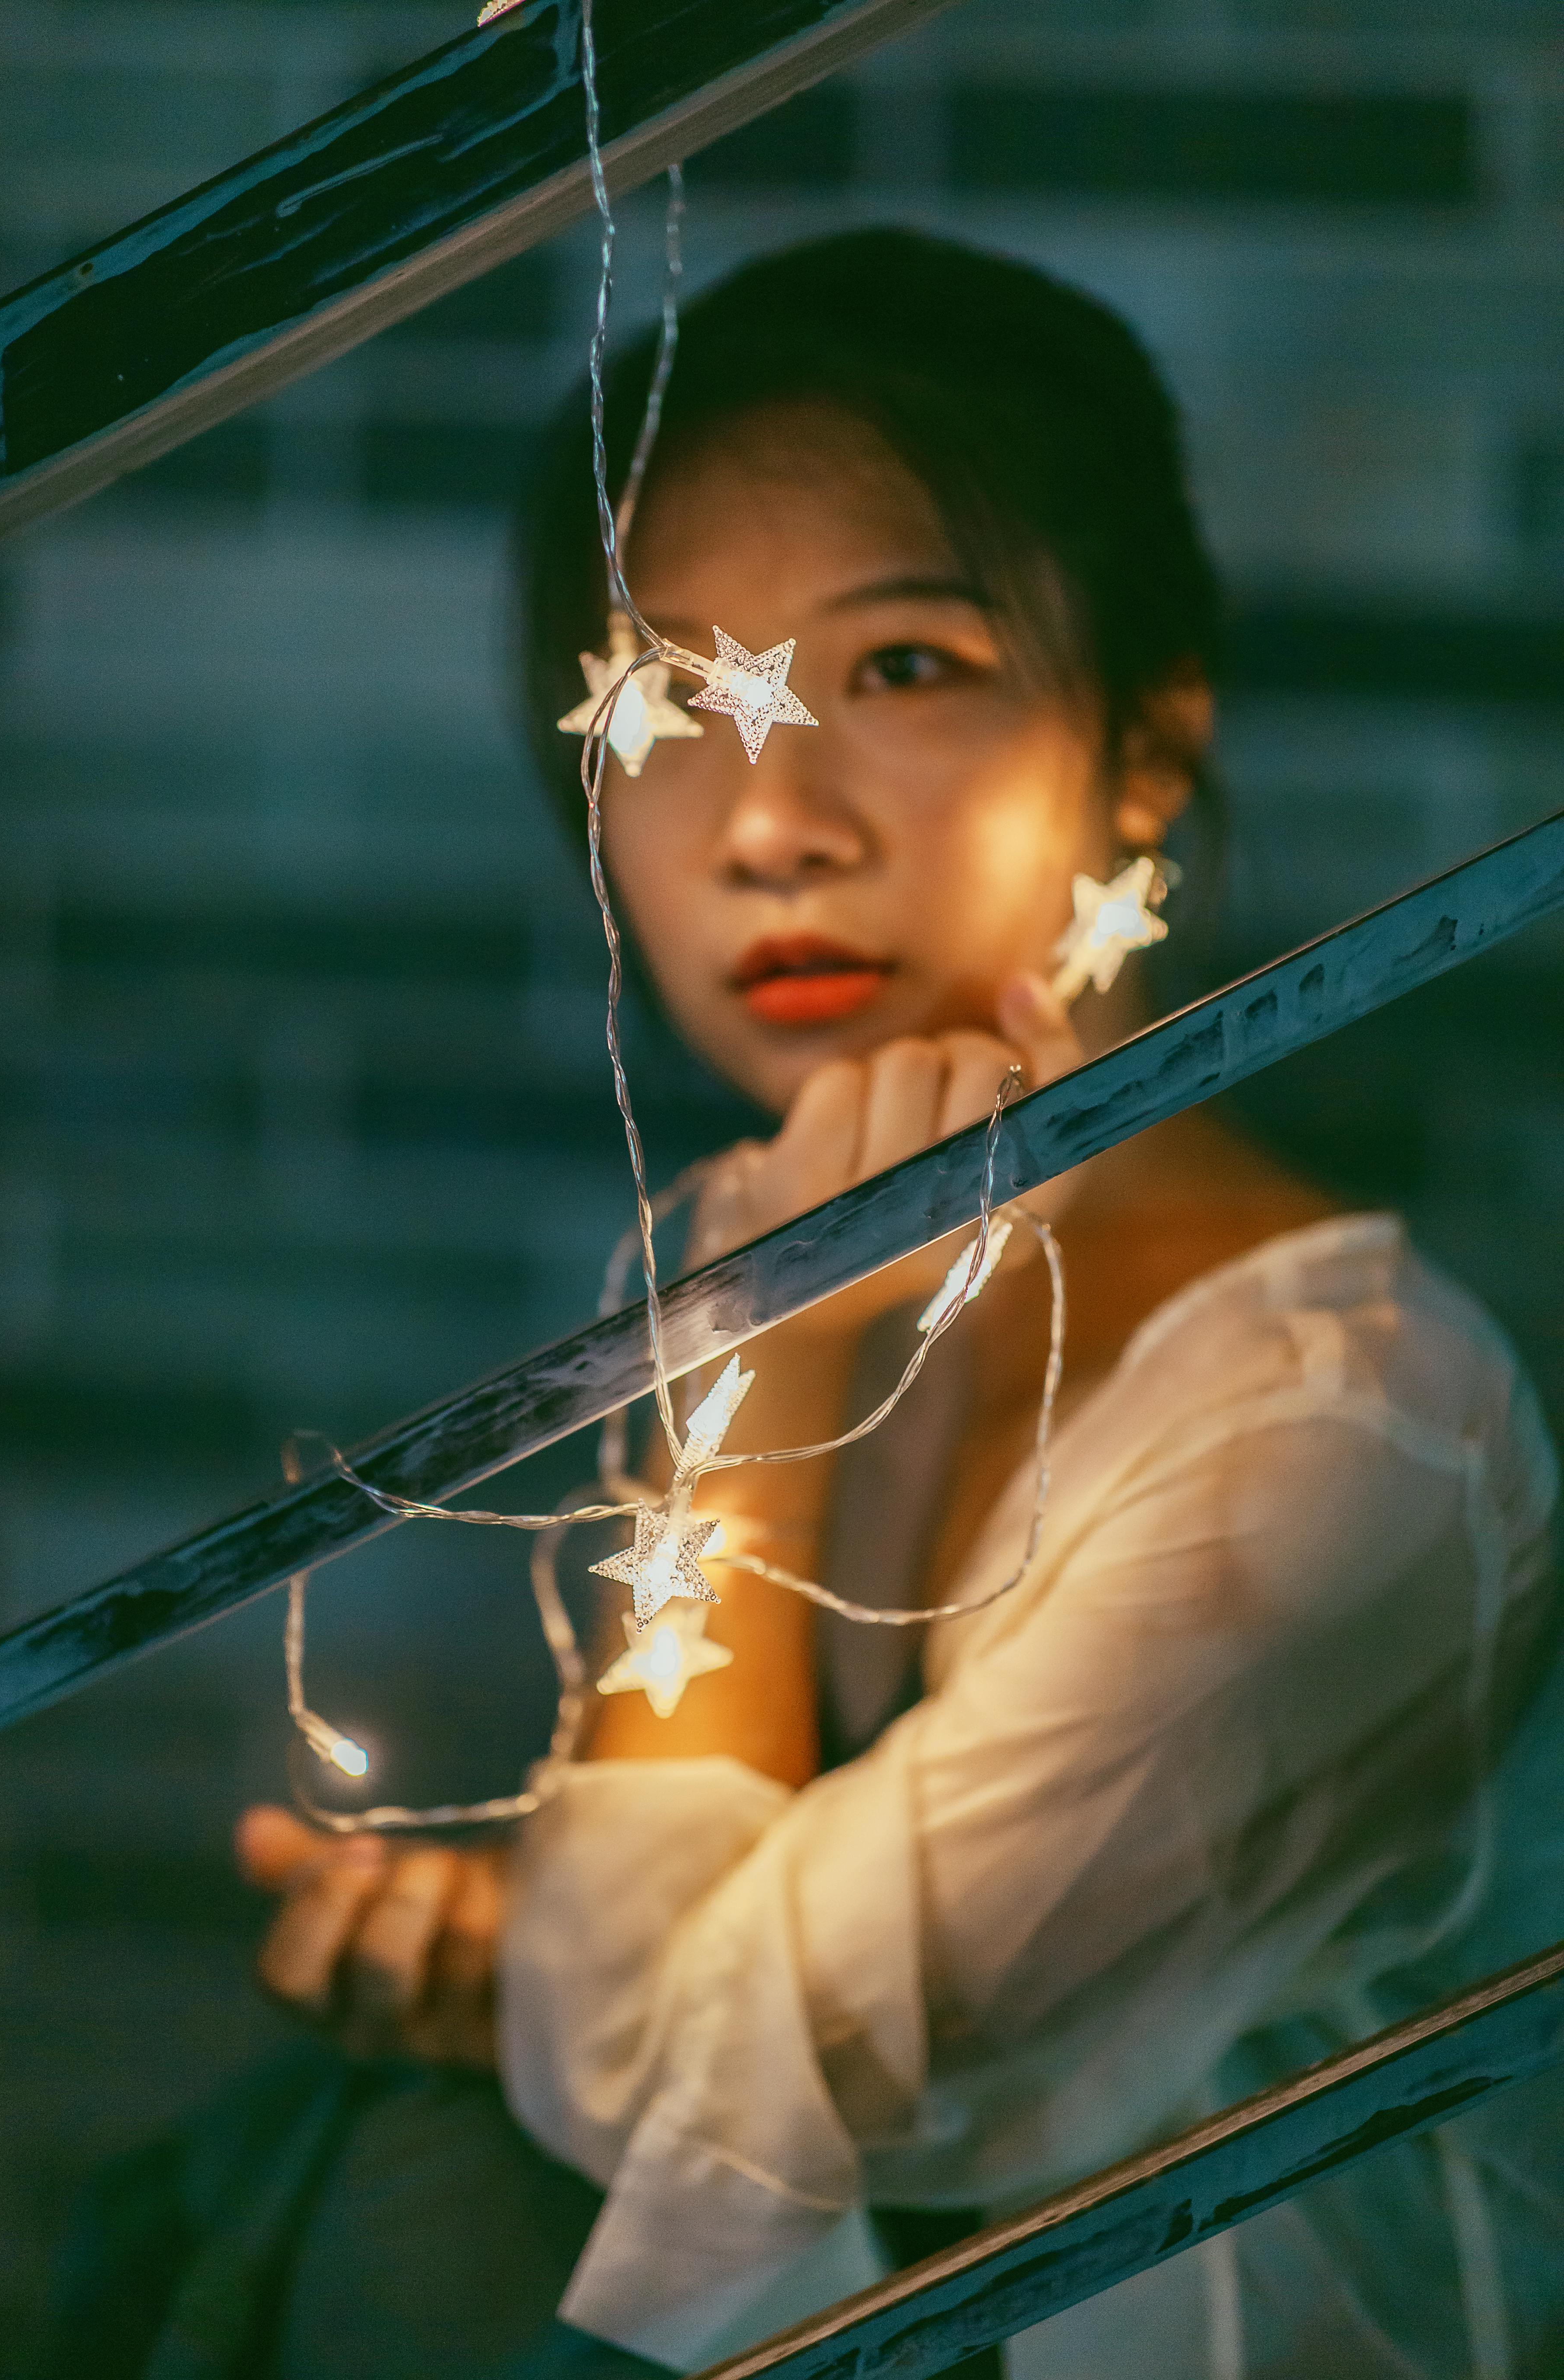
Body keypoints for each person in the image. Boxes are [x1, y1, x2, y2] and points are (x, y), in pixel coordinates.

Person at [81, 231, 1564, 2379]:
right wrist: (506, 1946)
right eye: (670, 701)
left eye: (903, 668)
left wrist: (758, 1354)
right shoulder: (795, 1233)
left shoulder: (1334, 1438)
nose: (770, 821)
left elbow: (650, 2081)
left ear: (1145, 748)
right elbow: (699, 1993)